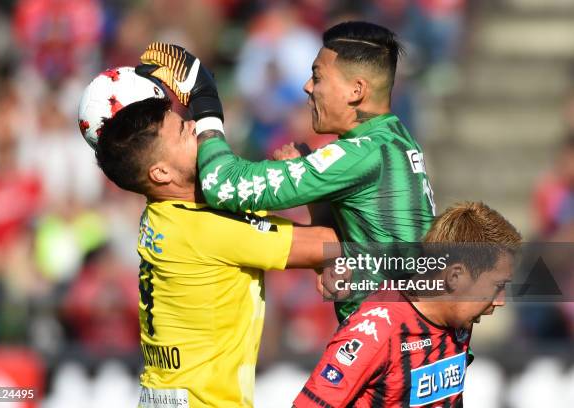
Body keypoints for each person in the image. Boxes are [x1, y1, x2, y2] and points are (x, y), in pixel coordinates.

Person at [137, 21, 436, 324]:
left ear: (356, 90)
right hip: (406, 335)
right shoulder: (395, 136)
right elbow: (354, 244)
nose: (307, 86)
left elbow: (222, 184)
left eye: (317, 77)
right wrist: (317, 194)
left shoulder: (360, 153)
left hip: (390, 341)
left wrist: (205, 100)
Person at [84, 86, 339, 406]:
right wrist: (309, 186)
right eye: (181, 130)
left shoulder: (162, 214)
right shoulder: (205, 229)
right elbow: (332, 246)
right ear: (160, 172)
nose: (194, 125)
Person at [292, 202, 521, 407]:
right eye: (497, 286)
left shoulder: (458, 322)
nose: (500, 301)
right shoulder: (376, 332)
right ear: (455, 278)